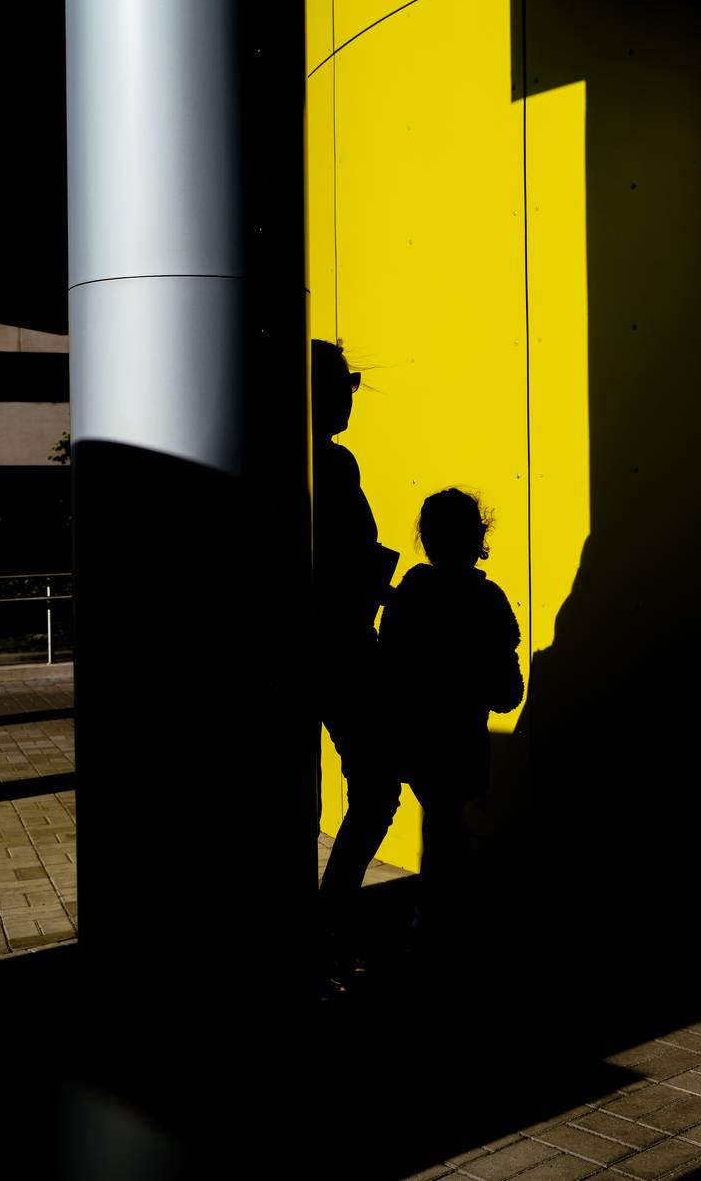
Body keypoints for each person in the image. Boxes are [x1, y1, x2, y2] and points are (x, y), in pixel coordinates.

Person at [378, 488, 524, 938]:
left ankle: (433, 923)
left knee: (442, 830)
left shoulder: (411, 594)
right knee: (450, 833)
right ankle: (443, 925)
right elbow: (507, 693)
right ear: (479, 537)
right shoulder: (489, 601)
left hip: (418, 741)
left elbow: (388, 670)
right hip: (465, 742)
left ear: (426, 538)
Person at [312, 340, 400, 978]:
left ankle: (318, 925)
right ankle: (327, 919)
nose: (352, 394)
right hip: (340, 648)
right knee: (376, 785)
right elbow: (347, 559)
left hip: (324, 647)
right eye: (347, 381)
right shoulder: (334, 465)